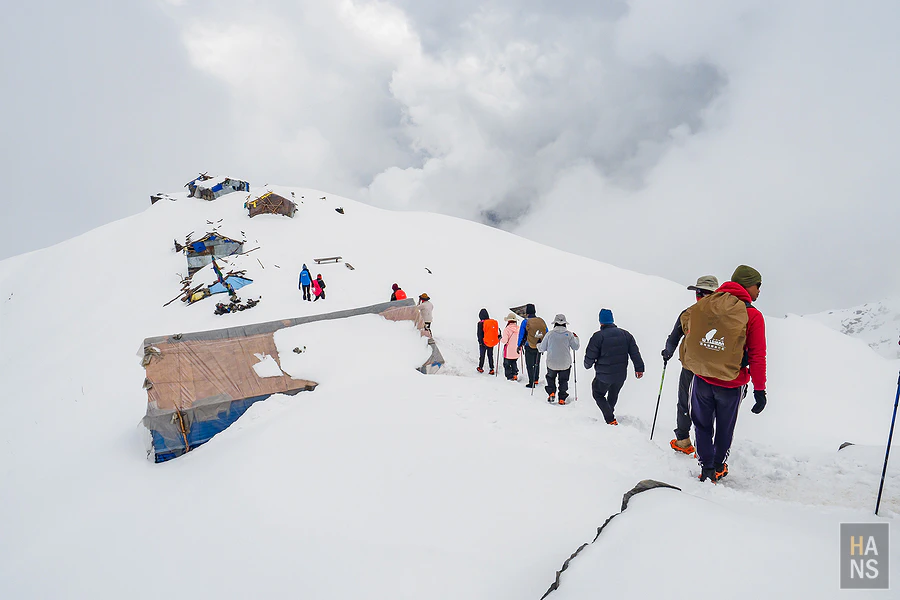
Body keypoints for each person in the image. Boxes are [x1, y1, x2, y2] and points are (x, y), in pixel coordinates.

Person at [684, 265, 767, 483]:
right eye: (758, 286)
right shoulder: (753, 315)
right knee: (724, 427)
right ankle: (718, 467)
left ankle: (706, 468)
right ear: (748, 285)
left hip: (701, 378)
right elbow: (757, 355)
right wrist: (760, 389)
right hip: (731, 384)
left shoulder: (708, 304)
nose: (759, 291)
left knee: (701, 425)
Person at [661, 275, 719, 455]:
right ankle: (702, 446)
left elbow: (673, 337)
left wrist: (668, 351)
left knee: (686, 403)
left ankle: (684, 441)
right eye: (700, 293)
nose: (700, 297)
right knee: (708, 407)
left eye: (703, 293)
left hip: (693, 367)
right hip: (714, 370)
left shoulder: (688, 313)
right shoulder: (726, 315)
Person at [583, 309, 645, 425]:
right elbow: (635, 353)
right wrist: (639, 368)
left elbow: (590, 355)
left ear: (601, 321)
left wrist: (587, 365)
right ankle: (610, 414)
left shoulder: (598, 337)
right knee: (613, 393)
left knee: (597, 393)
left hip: (604, 375)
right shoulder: (626, 334)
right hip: (621, 375)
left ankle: (610, 418)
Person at [538, 314, 580, 404]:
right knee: (563, 380)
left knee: (550, 377)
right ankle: (562, 398)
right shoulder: (569, 334)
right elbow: (575, 347)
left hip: (551, 362)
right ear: (565, 324)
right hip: (565, 363)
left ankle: (551, 393)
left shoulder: (549, 334)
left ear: (555, 323)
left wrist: (538, 345)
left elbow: (542, 348)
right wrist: (576, 338)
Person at [517, 304, 548, 388]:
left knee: (529, 364)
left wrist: (519, 345)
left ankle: (531, 382)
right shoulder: (540, 321)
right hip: (539, 345)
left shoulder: (525, 321)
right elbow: (546, 331)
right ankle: (536, 379)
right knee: (536, 362)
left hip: (529, 345)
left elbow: (521, 334)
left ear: (527, 312)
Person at [476, 308, 499, 374]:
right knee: (490, 355)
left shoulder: (480, 323)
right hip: (490, 341)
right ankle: (491, 368)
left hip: (483, 342)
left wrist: (480, 342)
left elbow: (479, 334)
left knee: (482, 355)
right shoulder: (491, 322)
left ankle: (480, 367)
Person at [500, 312, 520, 381]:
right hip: (517, 350)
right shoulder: (519, 329)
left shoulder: (507, 329)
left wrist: (500, 339)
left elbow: (504, 341)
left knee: (507, 364)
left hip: (508, 351)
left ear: (508, 321)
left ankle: (509, 376)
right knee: (514, 362)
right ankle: (515, 374)